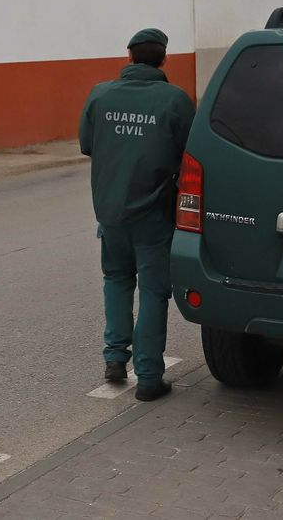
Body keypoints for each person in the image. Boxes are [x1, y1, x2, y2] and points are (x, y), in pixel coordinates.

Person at [77, 27, 196, 401]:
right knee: (154, 292)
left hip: (110, 213)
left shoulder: (100, 94)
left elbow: (87, 144)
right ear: (164, 59)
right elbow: (190, 153)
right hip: (154, 215)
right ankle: (148, 378)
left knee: (116, 280)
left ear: (128, 57)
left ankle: (115, 359)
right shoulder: (176, 101)